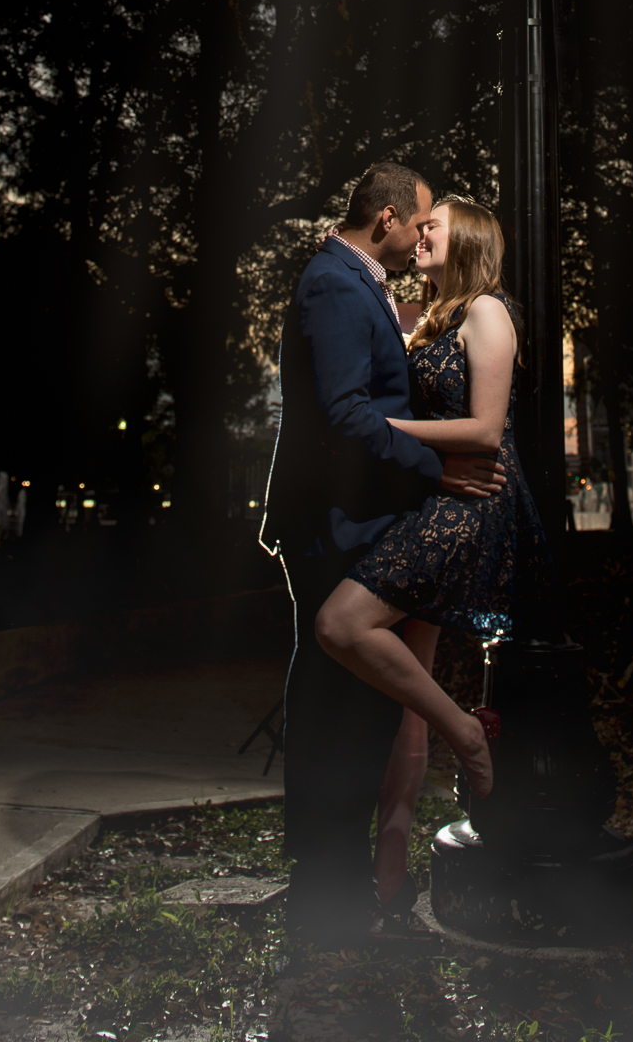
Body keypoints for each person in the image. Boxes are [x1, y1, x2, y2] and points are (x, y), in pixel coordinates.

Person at [259, 162, 505, 951]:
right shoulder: (336, 282)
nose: (420, 237)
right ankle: (325, 885)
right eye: (419, 222)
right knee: (336, 702)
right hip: (336, 522)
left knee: (359, 705)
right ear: (390, 219)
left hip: (361, 520)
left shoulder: (357, 282)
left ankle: (340, 879)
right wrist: (440, 469)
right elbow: (343, 413)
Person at [313, 193, 554, 923]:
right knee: (405, 702)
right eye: (418, 224)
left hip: (473, 503)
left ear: (468, 239)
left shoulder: (489, 311)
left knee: (342, 625)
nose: (420, 234)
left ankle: (466, 737)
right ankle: (392, 875)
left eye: (433, 227)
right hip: (431, 497)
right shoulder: (423, 320)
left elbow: (484, 428)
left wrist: (368, 424)